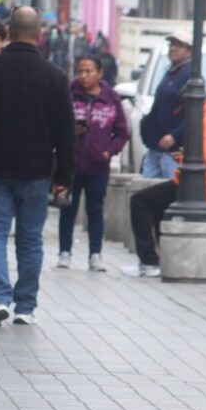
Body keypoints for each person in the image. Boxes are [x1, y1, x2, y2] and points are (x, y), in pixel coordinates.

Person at [0, 6, 76, 327]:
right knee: (30, 238)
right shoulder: (54, 77)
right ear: (38, 35)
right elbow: (66, 131)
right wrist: (64, 175)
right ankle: (25, 306)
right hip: (36, 170)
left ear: (8, 32)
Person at [123, 94, 206, 277]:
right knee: (158, 205)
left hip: (203, 186)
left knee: (140, 201)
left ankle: (148, 261)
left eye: (185, 111)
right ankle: (160, 260)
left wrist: (183, 155)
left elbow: (205, 155)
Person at [58, 55, 130, 272]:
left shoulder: (111, 99)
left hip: (98, 165)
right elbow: (57, 122)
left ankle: (95, 254)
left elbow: (122, 132)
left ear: (100, 73)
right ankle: (64, 252)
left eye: (89, 71)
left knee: (95, 209)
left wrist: (109, 151)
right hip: (71, 163)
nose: (83, 76)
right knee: (67, 208)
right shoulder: (69, 94)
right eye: (80, 71)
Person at [139, 30, 193, 179]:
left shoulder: (190, 76)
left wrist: (175, 136)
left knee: (167, 193)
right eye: (171, 44)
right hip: (155, 146)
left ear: (189, 51)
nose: (173, 48)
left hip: (172, 150)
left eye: (179, 45)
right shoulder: (170, 71)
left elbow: (194, 115)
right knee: (146, 192)